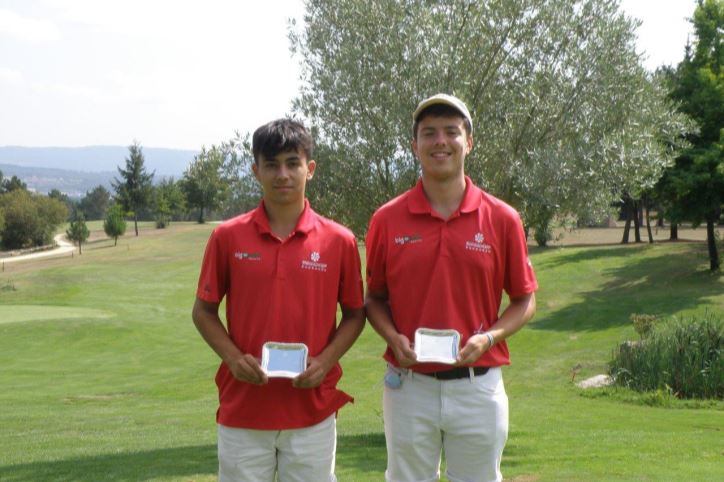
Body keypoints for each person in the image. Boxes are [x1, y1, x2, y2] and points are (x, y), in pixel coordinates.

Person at [365, 93, 538, 482]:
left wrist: (490, 338)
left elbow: (524, 299)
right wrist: (392, 337)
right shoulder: (387, 219)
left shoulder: (502, 218)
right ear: (414, 146)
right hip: (409, 386)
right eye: (429, 133)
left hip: (478, 386)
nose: (440, 141)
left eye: (451, 132)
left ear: (469, 142)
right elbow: (374, 298)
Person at [192, 118, 365, 482]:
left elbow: (354, 315)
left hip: (312, 410)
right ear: (256, 171)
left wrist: (325, 361)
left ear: (310, 169)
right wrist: (234, 358)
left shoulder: (339, 240)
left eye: (292, 162)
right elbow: (203, 312)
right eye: (271, 164)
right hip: (244, 408)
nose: (282, 174)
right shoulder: (228, 237)